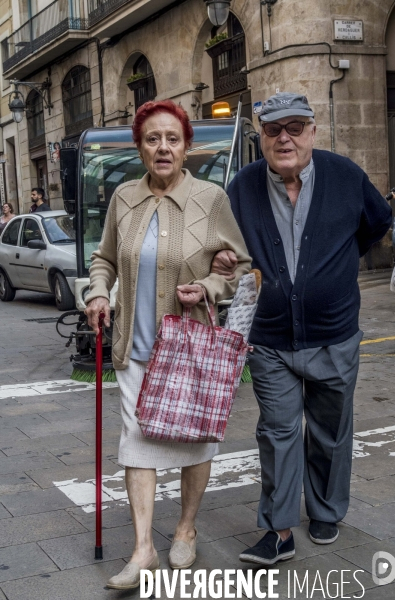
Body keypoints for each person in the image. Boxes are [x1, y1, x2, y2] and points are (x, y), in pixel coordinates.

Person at [213, 92, 392, 565]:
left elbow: (376, 224)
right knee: (277, 430)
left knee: (331, 431)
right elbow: (225, 245)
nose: (285, 137)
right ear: (262, 136)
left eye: (295, 127)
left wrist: (331, 269)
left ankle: (327, 509)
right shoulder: (243, 186)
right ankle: (279, 531)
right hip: (270, 339)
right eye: (274, 129)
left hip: (335, 334)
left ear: (313, 131)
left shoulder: (346, 176)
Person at [84, 99, 251, 589]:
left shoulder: (211, 198)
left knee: (194, 438)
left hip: (189, 346)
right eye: (152, 139)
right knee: (135, 443)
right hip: (135, 345)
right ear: (139, 147)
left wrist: (209, 287)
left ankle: (186, 528)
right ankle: (142, 551)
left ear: (187, 147)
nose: (163, 148)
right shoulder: (123, 199)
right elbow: (104, 259)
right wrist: (97, 292)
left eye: (172, 139)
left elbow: (238, 266)